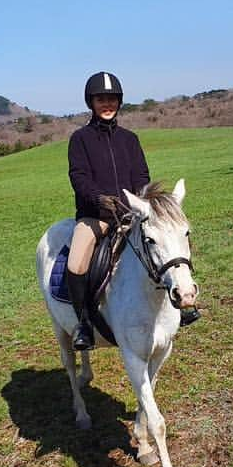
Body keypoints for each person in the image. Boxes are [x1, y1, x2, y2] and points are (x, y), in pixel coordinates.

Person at [66, 71, 151, 350]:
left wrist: (141, 201)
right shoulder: (80, 139)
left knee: (165, 246)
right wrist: (99, 199)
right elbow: (78, 177)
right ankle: (83, 324)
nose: (107, 104)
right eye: (101, 99)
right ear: (91, 102)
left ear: (119, 102)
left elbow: (141, 176)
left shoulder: (130, 139)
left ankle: (179, 306)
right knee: (76, 262)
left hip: (129, 216)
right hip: (95, 217)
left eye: (112, 99)